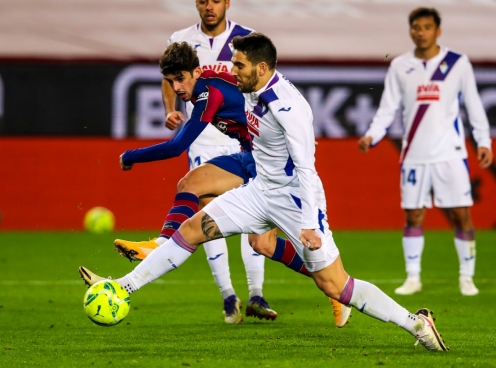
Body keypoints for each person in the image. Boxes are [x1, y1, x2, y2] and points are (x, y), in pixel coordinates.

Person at [80, 33, 448, 351]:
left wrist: (308, 224)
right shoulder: (247, 83)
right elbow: (213, 79)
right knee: (192, 229)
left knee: (335, 284)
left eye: (238, 65)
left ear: (259, 68)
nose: (230, 69)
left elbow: (306, 168)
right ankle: (122, 288)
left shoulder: (289, 109)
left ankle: (416, 323)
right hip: (258, 190)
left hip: (294, 198)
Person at [112, 41, 351, 326]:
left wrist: (130, 156)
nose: (176, 87)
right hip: (248, 156)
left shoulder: (208, 94)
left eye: (180, 78)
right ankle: (162, 244)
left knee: (261, 241)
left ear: (197, 73)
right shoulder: (210, 86)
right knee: (195, 186)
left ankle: (337, 291)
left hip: (271, 166)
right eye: (169, 81)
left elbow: (178, 147)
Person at [358, 7, 493, 296]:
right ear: (411, 31)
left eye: (427, 27)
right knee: (414, 216)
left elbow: (473, 104)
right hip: (414, 155)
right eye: (416, 27)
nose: (421, 32)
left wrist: (483, 141)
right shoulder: (400, 66)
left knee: (461, 214)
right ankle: (413, 277)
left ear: (437, 31)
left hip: (451, 152)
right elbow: (388, 108)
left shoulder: (457, 63)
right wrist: (373, 134)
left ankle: (466, 277)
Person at [157, 0, 267, 322]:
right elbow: (169, 80)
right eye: (203, 0)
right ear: (196, 4)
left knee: (254, 213)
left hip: (242, 139)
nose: (209, 6)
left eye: (215, 0)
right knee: (208, 215)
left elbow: (262, 86)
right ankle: (228, 295)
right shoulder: (180, 39)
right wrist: (170, 109)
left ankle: (257, 293)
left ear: (227, 3)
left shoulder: (246, 38)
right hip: (203, 141)